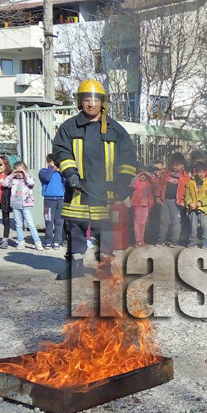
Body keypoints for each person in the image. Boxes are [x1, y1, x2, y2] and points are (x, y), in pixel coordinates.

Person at [51, 79, 138, 279]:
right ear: (80, 102)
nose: (91, 104)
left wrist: (124, 181)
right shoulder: (69, 127)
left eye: (95, 99)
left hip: (105, 193)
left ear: (102, 102)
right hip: (78, 191)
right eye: (86, 99)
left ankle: (105, 267)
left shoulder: (115, 129)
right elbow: (61, 152)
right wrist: (70, 174)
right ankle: (75, 267)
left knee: (106, 231)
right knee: (75, 228)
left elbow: (127, 156)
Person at [4, 161, 43, 251]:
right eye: (17, 171)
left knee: (30, 223)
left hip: (26, 205)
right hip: (15, 205)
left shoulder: (28, 179)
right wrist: (12, 174)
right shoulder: (13, 180)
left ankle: (37, 242)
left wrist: (24, 173)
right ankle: (20, 241)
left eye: (20, 171)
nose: (19, 174)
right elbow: (5, 183)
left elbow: (31, 182)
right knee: (18, 224)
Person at [154, 152, 190, 248]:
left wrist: (185, 200)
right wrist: (157, 196)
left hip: (176, 201)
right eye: (173, 165)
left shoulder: (185, 176)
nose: (175, 167)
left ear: (182, 165)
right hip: (165, 200)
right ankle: (161, 240)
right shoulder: (165, 174)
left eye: (177, 165)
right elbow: (159, 185)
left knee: (175, 220)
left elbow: (187, 189)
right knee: (163, 220)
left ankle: (174, 240)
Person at [184, 162, 207, 249]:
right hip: (192, 208)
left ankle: (205, 242)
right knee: (193, 226)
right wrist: (189, 203)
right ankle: (193, 241)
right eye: (200, 172)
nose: (201, 174)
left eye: (203, 172)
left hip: (203, 208)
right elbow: (187, 193)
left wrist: (201, 202)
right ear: (196, 171)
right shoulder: (191, 181)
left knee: (204, 226)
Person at [39, 154, 65, 249]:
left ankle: (57, 241)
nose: (55, 165)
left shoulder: (60, 173)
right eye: (52, 162)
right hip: (49, 200)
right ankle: (48, 241)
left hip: (60, 199)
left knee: (59, 222)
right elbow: (47, 178)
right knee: (49, 221)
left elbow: (65, 181)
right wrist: (50, 168)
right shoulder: (43, 172)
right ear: (48, 162)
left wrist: (61, 171)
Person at [130, 167, 154, 247]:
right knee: (137, 223)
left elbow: (154, 182)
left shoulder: (148, 184)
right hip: (138, 205)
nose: (143, 177)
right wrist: (138, 175)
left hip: (146, 205)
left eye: (145, 175)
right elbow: (132, 183)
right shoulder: (136, 183)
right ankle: (137, 241)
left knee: (143, 223)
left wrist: (149, 175)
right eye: (141, 175)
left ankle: (142, 240)